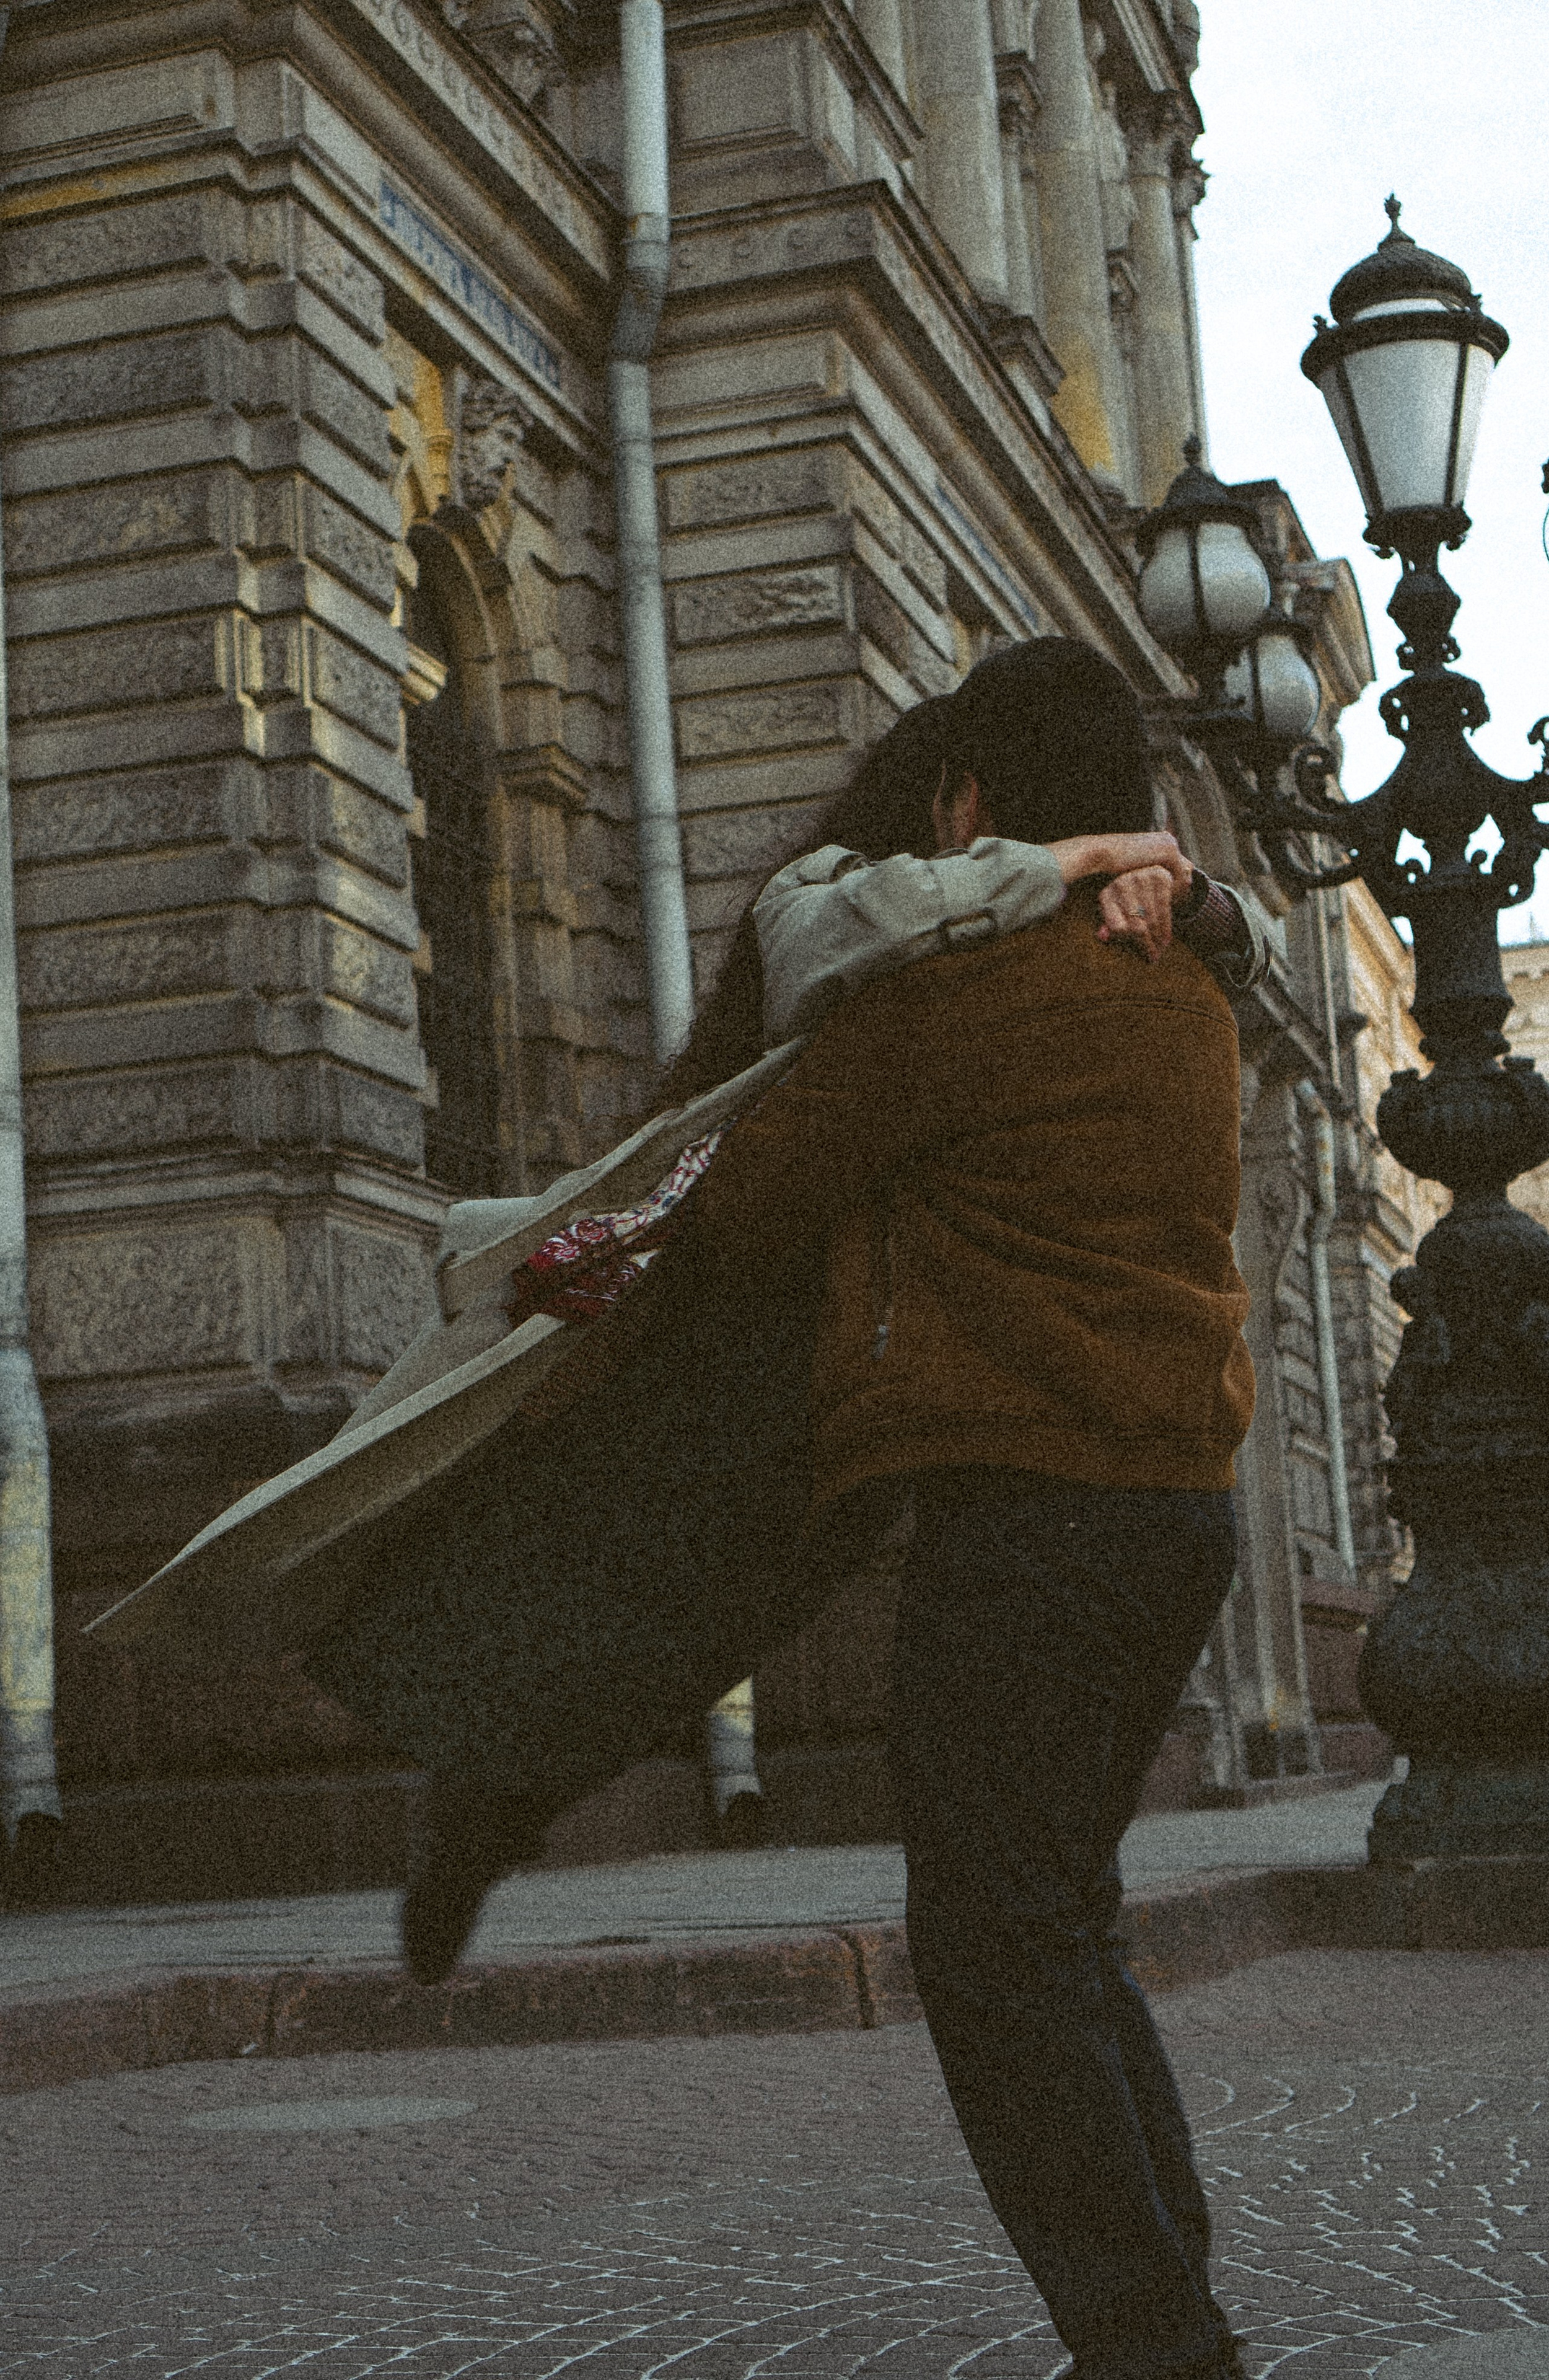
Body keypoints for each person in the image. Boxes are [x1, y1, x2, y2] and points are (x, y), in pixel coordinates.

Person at [657, 637, 1257, 2380]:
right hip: (1175, 1513)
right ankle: (1169, 2306)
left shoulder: (956, 1000)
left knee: (993, 1949)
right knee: (1058, 1923)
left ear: (970, 804)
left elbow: (754, 1204)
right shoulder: (1184, 994)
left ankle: (1154, 2346)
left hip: (1033, 1522)